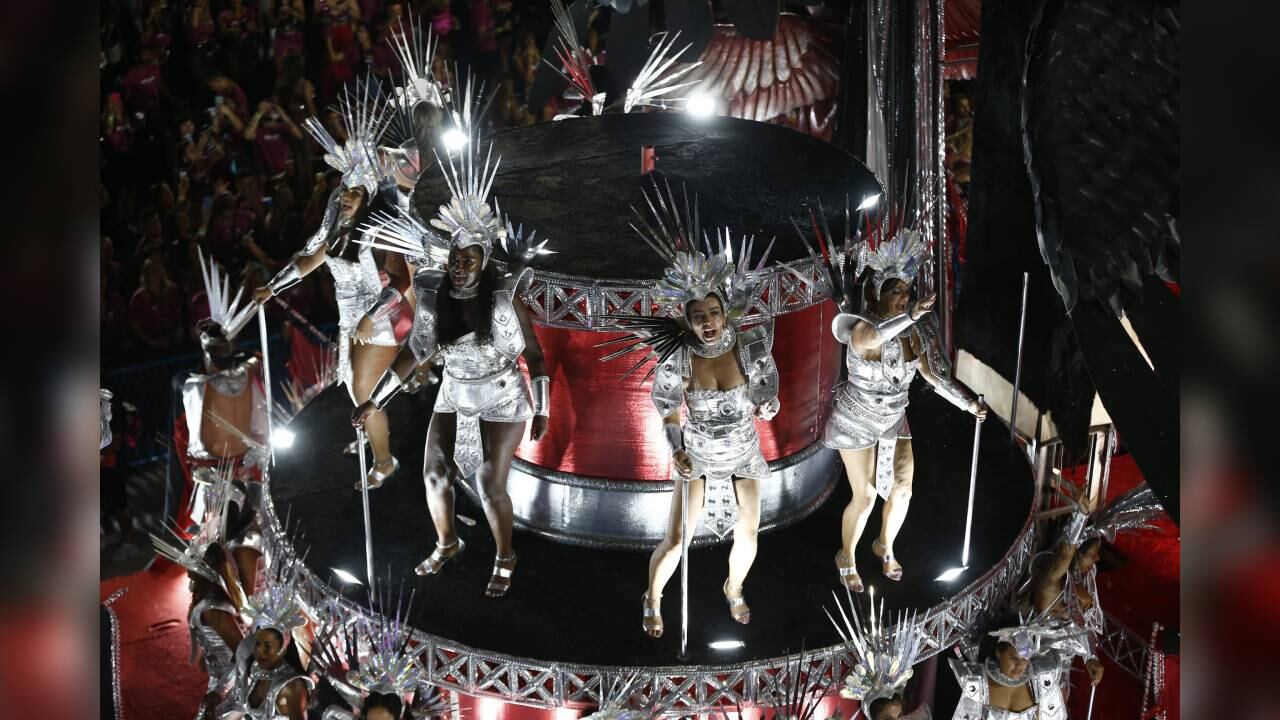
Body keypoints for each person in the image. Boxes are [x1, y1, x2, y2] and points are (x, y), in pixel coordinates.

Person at [352, 99, 552, 596]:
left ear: (484, 261)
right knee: (434, 475)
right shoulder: (433, 291)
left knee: (488, 481)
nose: (461, 265)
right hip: (454, 391)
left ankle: (506, 555)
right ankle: (448, 543)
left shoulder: (505, 296)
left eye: (470, 257)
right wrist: (374, 400)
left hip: (504, 395)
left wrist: (542, 411)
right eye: (456, 256)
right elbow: (415, 350)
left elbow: (536, 358)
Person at [600, 180, 780, 636]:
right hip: (696, 455)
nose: (707, 322)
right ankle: (654, 596)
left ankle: (734, 587)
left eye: (713, 312)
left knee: (749, 532)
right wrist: (676, 446)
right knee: (678, 538)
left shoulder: (751, 342)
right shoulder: (679, 356)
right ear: (686, 317)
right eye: (698, 315)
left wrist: (767, 404)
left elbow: (764, 385)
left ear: (725, 312)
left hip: (743, 450)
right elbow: (666, 405)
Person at [255, 83, 410, 490]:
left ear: (368, 198)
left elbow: (400, 283)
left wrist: (370, 316)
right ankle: (370, 439)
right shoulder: (336, 231)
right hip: (349, 321)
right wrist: (272, 287)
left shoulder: (378, 233)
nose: (346, 199)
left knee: (363, 388)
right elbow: (308, 261)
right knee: (351, 385)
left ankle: (384, 461)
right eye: (344, 192)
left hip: (375, 322)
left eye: (355, 194)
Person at [818, 226, 986, 590]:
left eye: (907, 292)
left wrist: (968, 402)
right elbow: (877, 338)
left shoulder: (918, 331)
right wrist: (910, 315)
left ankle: (885, 545)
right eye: (896, 291)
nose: (903, 297)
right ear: (878, 296)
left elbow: (936, 376)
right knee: (863, 498)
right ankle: (846, 554)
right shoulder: (862, 329)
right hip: (855, 419)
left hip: (895, 417)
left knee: (904, 489)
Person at [949, 614, 1102, 720]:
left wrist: (1090, 657)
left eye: (1025, 658)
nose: (1020, 665)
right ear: (998, 653)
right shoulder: (974, 683)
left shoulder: (1043, 681)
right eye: (1014, 658)